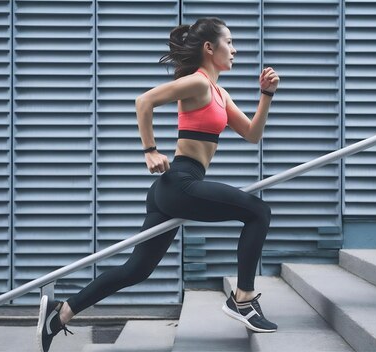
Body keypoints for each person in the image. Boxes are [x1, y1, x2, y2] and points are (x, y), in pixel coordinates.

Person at [36, 17, 280, 352]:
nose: (235, 50)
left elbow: (252, 134)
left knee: (137, 269)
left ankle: (59, 314)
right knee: (258, 211)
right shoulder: (196, 83)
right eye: (229, 42)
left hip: (175, 189)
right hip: (179, 183)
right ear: (210, 48)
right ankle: (244, 298)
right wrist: (150, 150)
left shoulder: (219, 93)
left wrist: (265, 95)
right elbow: (144, 101)